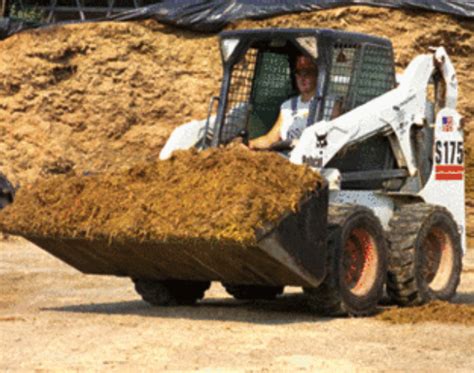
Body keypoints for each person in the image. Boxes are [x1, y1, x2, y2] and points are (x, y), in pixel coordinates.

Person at [249, 55, 318, 150]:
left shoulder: (330, 104)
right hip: (287, 158)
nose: (302, 78)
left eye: (307, 73)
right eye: (299, 73)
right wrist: (249, 144)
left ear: (317, 74)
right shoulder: (287, 106)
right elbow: (270, 140)